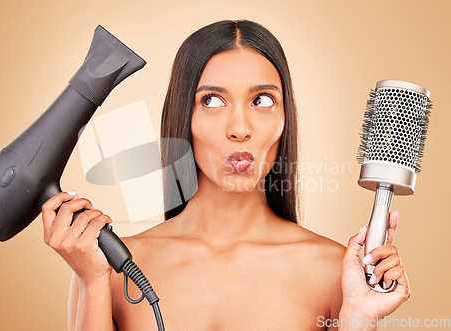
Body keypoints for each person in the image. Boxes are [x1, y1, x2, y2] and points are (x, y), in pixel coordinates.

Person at [41, 20, 410, 330]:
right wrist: (91, 280)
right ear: (183, 116)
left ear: (286, 119)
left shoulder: (333, 272)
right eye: (212, 101)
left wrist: (359, 319)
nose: (239, 128)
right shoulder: (114, 268)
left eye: (262, 100)